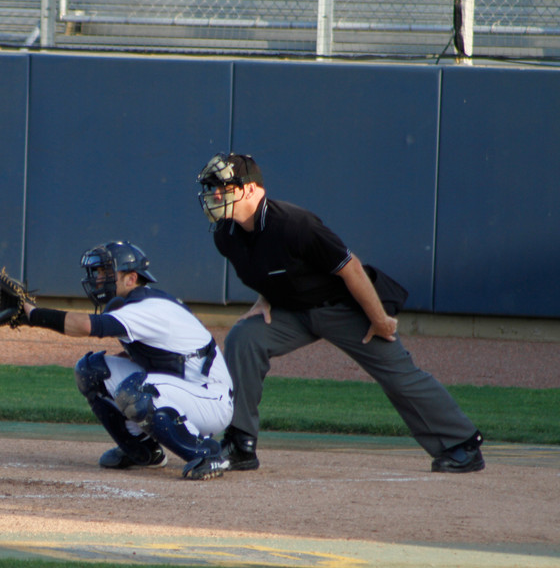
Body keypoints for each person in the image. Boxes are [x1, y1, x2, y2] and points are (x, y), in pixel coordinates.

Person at [196, 152, 485, 473]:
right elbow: (269, 270)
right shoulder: (226, 235)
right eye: (212, 188)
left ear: (250, 189)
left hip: (344, 307)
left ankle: (462, 444)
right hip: (293, 311)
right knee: (245, 337)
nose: (215, 195)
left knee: (397, 373)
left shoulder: (295, 224)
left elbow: (351, 269)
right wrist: (265, 299)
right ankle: (240, 443)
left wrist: (379, 320)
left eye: (223, 186)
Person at [3, 241, 235, 480]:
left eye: (107, 272)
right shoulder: (135, 304)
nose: (99, 278)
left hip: (210, 399)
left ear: (131, 279)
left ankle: (207, 453)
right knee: (92, 370)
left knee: (136, 390)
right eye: (99, 272)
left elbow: (86, 326)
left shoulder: (149, 308)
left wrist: (32, 314)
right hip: (182, 388)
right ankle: (143, 451)